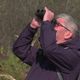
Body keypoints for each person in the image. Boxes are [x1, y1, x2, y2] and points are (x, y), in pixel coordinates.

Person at [12, 7, 80, 80]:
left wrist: (47, 21)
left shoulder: (74, 56)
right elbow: (20, 48)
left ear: (68, 34)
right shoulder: (46, 54)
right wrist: (32, 27)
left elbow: (50, 49)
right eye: (52, 24)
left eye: (56, 24)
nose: (52, 27)